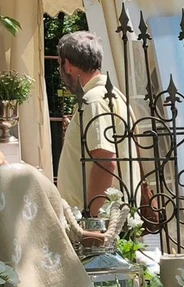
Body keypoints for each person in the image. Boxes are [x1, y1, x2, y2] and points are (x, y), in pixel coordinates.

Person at [56, 31, 132, 218]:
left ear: (67, 64)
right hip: (106, 217)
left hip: (97, 223)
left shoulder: (94, 100)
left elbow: (105, 160)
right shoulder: (108, 95)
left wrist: (94, 220)